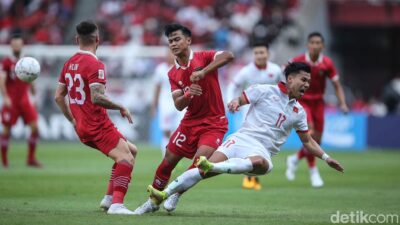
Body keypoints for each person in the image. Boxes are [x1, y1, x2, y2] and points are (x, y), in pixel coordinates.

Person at [145, 62, 344, 211]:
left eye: (309, 81)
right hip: (241, 139)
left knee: (261, 163)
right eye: (304, 80)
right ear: (290, 79)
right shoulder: (264, 90)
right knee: (200, 170)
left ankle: (210, 168)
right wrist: (235, 103)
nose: (307, 85)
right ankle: (170, 194)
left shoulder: (299, 112)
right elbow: (240, 99)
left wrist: (326, 158)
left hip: (261, 151)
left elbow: (307, 141)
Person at [134, 23, 234, 214]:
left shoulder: (203, 57)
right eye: (170, 41)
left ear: (188, 40)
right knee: (166, 162)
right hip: (189, 122)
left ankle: (176, 193)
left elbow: (229, 55)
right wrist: (188, 94)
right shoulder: (172, 73)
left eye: (177, 39)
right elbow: (178, 104)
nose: (173, 44)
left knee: (200, 162)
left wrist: (204, 71)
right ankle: (153, 200)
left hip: (214, 123)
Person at [54, 20, 137, 215]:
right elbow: (97, 97)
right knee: (125, 158)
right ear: (98, 40)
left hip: (82, 126)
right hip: (97, 124)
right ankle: (117, 205)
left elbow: (58, 96)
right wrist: (120, 106)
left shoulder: (68, 64)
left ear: (77, 39)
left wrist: (73, 121)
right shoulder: (95, 64)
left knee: (132, 151)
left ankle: (109, 199)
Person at [285, 32, 349, 188]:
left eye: (318, 42)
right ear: (308, 45)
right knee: (310, 133)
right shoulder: (299, 61)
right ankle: (313, 172)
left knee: (317, 140)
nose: (315, 45)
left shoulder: (327, 63)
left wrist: (342, 103)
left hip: (319, 103)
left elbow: (336, 85)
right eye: (312, 42)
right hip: (303, 101)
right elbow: (285, 74)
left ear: (323, 46)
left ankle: (294, 158)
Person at [226, 42, 282, 190]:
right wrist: (230, 101)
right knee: (247, 143)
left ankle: (251, 175)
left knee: (262, 145)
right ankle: (249, 177)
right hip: (248, 112)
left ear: (268, 54)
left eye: (262, 52)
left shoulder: (275, 70)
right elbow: (233, 85)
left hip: (269, 114)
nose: (259, 56)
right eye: (256, 53)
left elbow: (283, 88)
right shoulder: (246, 71)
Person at [0, 34, 41, 168]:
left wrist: (34, 93)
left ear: (22, 45)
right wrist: (5, 97)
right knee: (6, 130)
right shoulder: (6, 62)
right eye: (15, 44)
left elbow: (31, 77)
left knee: (35, 128)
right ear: (11, 46)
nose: (17, 46)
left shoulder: (27, 61)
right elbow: (2, 80)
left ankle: (31, 158)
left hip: (24, 100)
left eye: (19, 44)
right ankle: (5, 161)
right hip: (11, 100)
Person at [151, 51, 184, 156]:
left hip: (179, 103)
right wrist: (154, 105)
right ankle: (165, 156)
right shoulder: (160, 69)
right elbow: (157, 88)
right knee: (166, 131)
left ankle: (175, 155)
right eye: (168, 54)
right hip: (165, 103)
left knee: (178, 130)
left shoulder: (182, 68)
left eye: (172, 54)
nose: (169, 56)